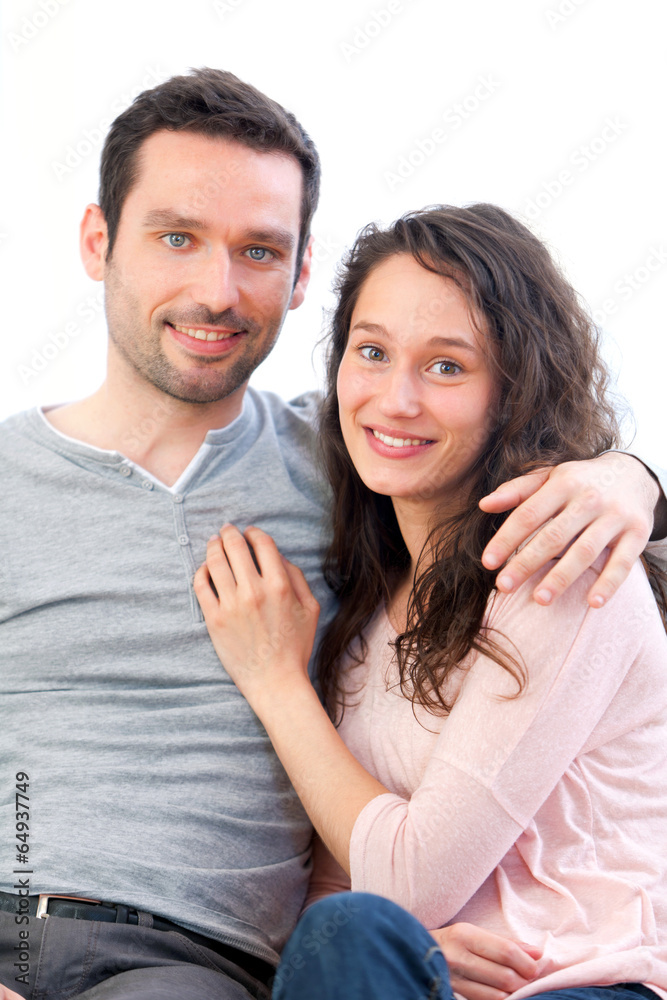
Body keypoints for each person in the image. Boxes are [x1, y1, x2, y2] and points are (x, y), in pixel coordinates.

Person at [0, 68, 664, 999]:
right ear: (98, 240)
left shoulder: (351, 463)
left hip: (192, 966)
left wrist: (630, 481)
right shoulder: (365, 491)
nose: (216, 290)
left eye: (259, 251)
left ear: (301, 272)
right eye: (177, 236)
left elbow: (539, 481)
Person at [194, 204, 667, 1000]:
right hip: (420, 985)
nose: (394, 399)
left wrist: (273, 682)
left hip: (575, 985)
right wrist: (411, 945)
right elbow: (344, 886)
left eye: (446, 366)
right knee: (343, 933)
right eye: (370, 352)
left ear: (514, 391)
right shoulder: (369, 609)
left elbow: (405, 884)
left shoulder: (556, 566)